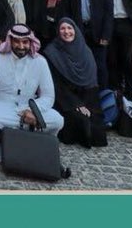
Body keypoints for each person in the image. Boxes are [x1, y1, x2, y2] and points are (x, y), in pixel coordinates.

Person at [0, 24, 63, 163]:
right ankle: (4, 144)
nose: (21, 46)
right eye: (17, 41)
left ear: (30, 42)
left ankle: (32, 143)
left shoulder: (40, 62)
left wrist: (32, 111)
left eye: (25, 42)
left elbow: (48, 96)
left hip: (27, 106)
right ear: (10, 41)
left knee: (58, 120)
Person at [43, 18, 107, 148]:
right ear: (58, 32)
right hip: (64, 101)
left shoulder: (86, 51)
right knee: (81, 121)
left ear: (76, 30)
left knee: (98, 133)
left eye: (69, 28)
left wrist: (86, 104)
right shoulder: (51, 52)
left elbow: (92, 83)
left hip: (87, 98)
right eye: (62, 28)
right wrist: (76, 104)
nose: (67, 32)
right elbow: (55, 85)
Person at [56, 0, 113, 87]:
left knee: (100, 65)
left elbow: (108, 11)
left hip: (97, 32)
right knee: (78, 64)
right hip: (75, 30)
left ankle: (102, 94)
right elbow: (64, 9)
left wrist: (106, 34)